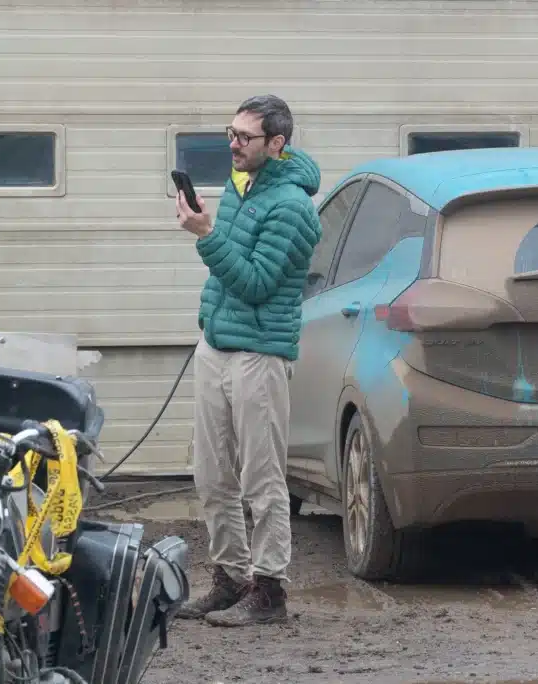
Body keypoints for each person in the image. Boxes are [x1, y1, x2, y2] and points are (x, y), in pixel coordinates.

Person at [173, 94, 322, 626]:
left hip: (259, 353)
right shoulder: (240, 185)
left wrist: (206, 235)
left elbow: (257, 283)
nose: (232, 144)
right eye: (230, 133)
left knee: (262, 478)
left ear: (276, 143)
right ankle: (231, 579)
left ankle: (270, 591)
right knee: (212, 474)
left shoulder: (293, 208)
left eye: (244, 137)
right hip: (216, 345)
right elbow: (228, 266)